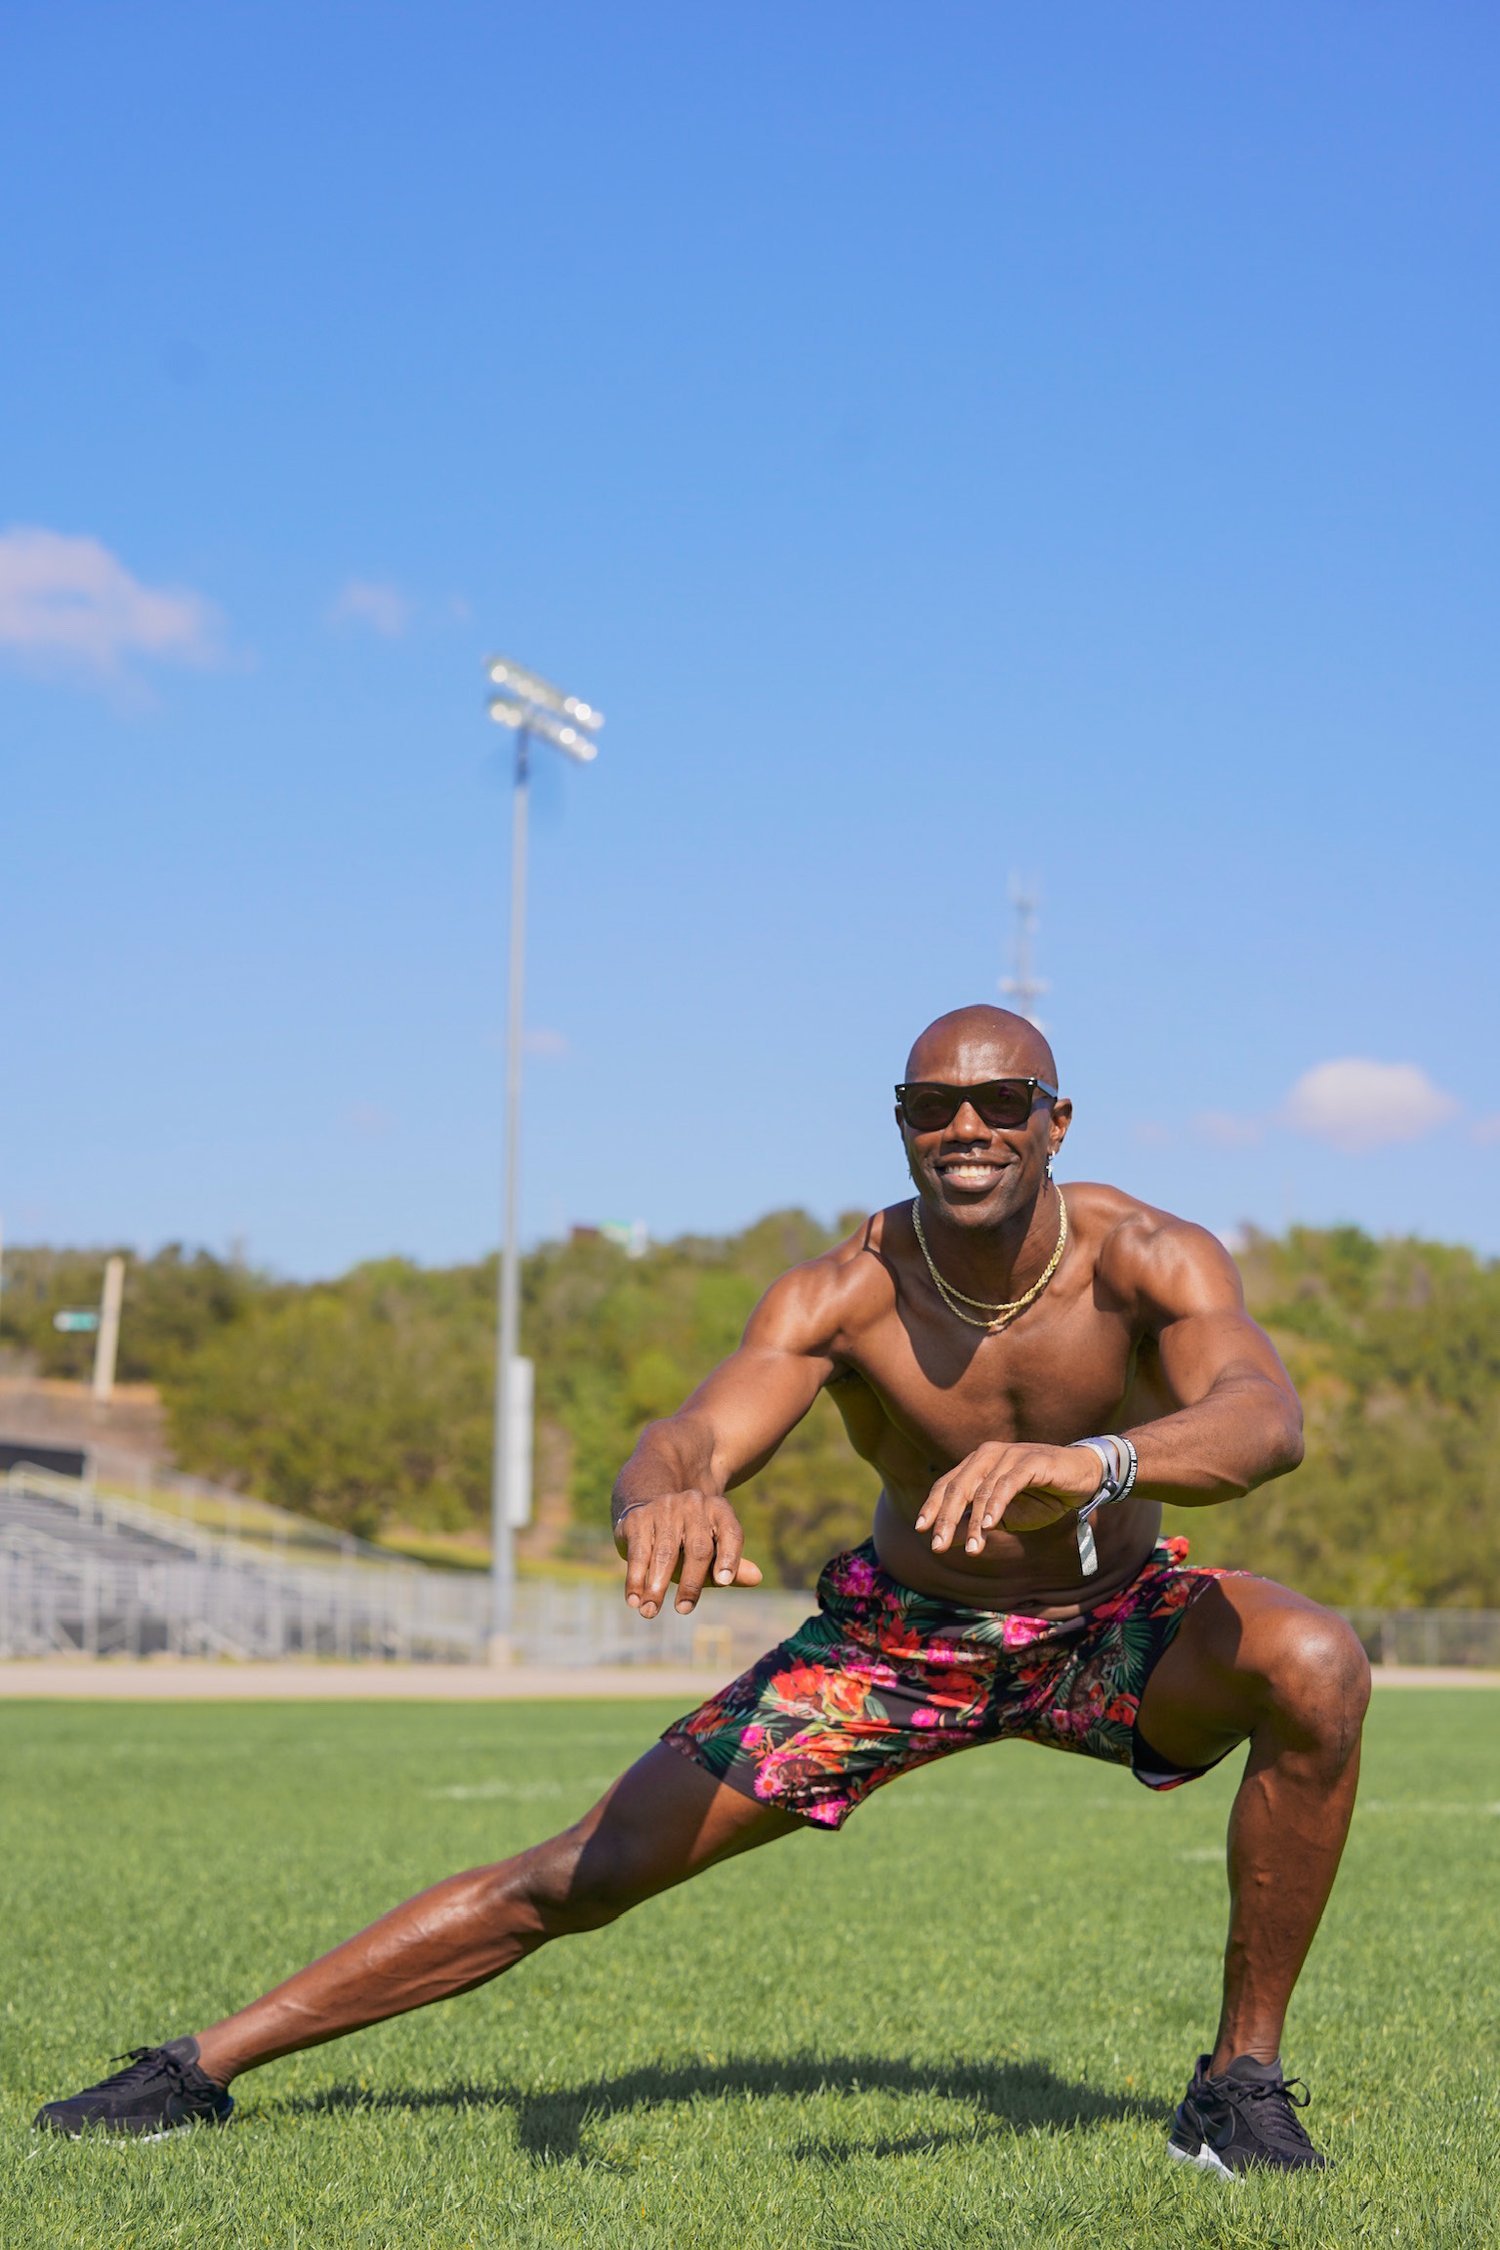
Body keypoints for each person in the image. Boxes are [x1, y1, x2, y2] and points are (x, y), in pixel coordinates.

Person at [36, 1006, 1369, 2175]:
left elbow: (1265, 1418)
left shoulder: (1148, 1255)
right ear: (900, 1125)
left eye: (1001, 1101)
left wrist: (1093, 1462)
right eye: (932, 1106)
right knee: (582, 1872)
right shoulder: (847, 1291)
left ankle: (1236, 2086)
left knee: (1314, 1664)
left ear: (1056, 1121)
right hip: (896, 1650)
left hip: (1108, 1626)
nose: (966, 1127)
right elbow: (688, 1436)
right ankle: (194, 2068)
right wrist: (661, 1495)